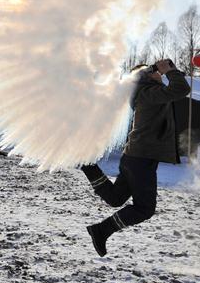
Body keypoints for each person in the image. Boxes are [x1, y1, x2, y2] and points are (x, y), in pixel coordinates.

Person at [81, 58, 191, 257]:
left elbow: (177, 88)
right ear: (144, 76)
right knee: (144, 209)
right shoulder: (147, 93)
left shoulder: (148, 93)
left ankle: (88, 167)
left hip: (136, 157)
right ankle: (101, 230)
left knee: (116, 198)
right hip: (141, 159)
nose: (159, 74)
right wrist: (169, 70)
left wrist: (169, 71)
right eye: (155, 72)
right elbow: (181, 89)